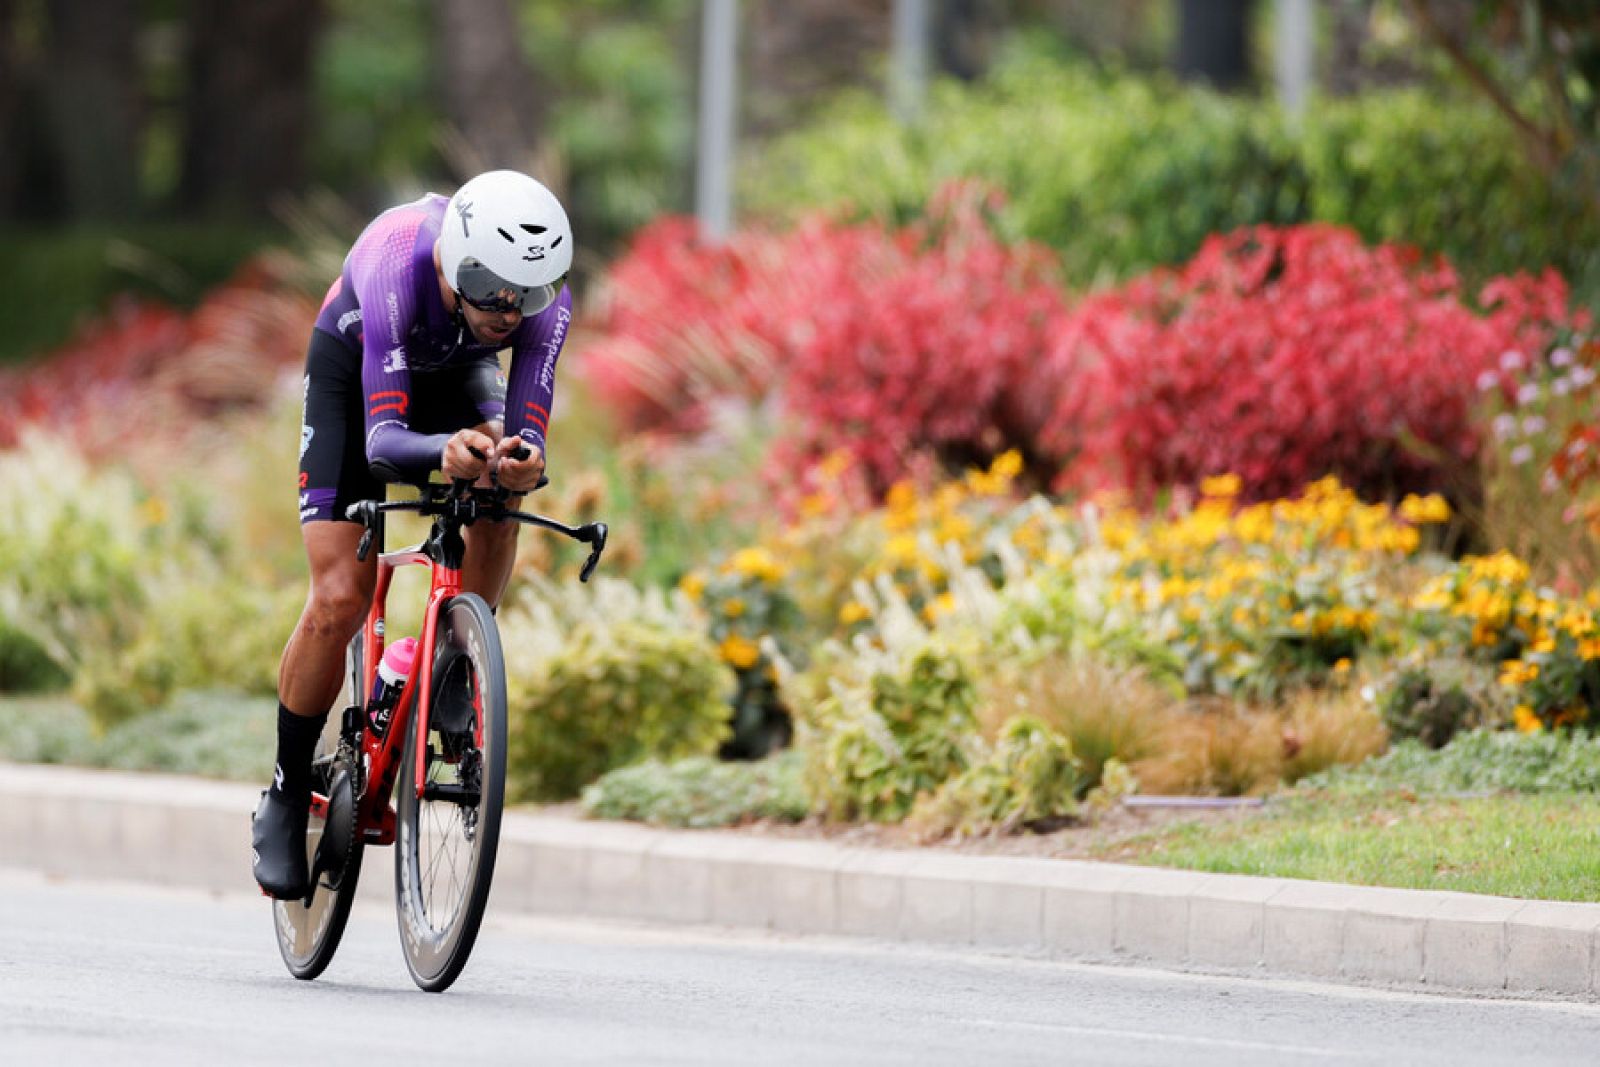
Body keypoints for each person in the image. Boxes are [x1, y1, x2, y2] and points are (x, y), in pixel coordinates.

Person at [252, 170, 574, 899]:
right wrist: (441, 453)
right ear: (454, 260)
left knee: (499, 469)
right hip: (358, 367)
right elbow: (384, 442)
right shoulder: (397, 261)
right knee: (340, 596)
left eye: (528, 292)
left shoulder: (541, 308)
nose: (507, 309)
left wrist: (521, 459)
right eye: (490, 285)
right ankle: (282, 788)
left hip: (458, 372)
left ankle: (454, 657)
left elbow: (528, 432)